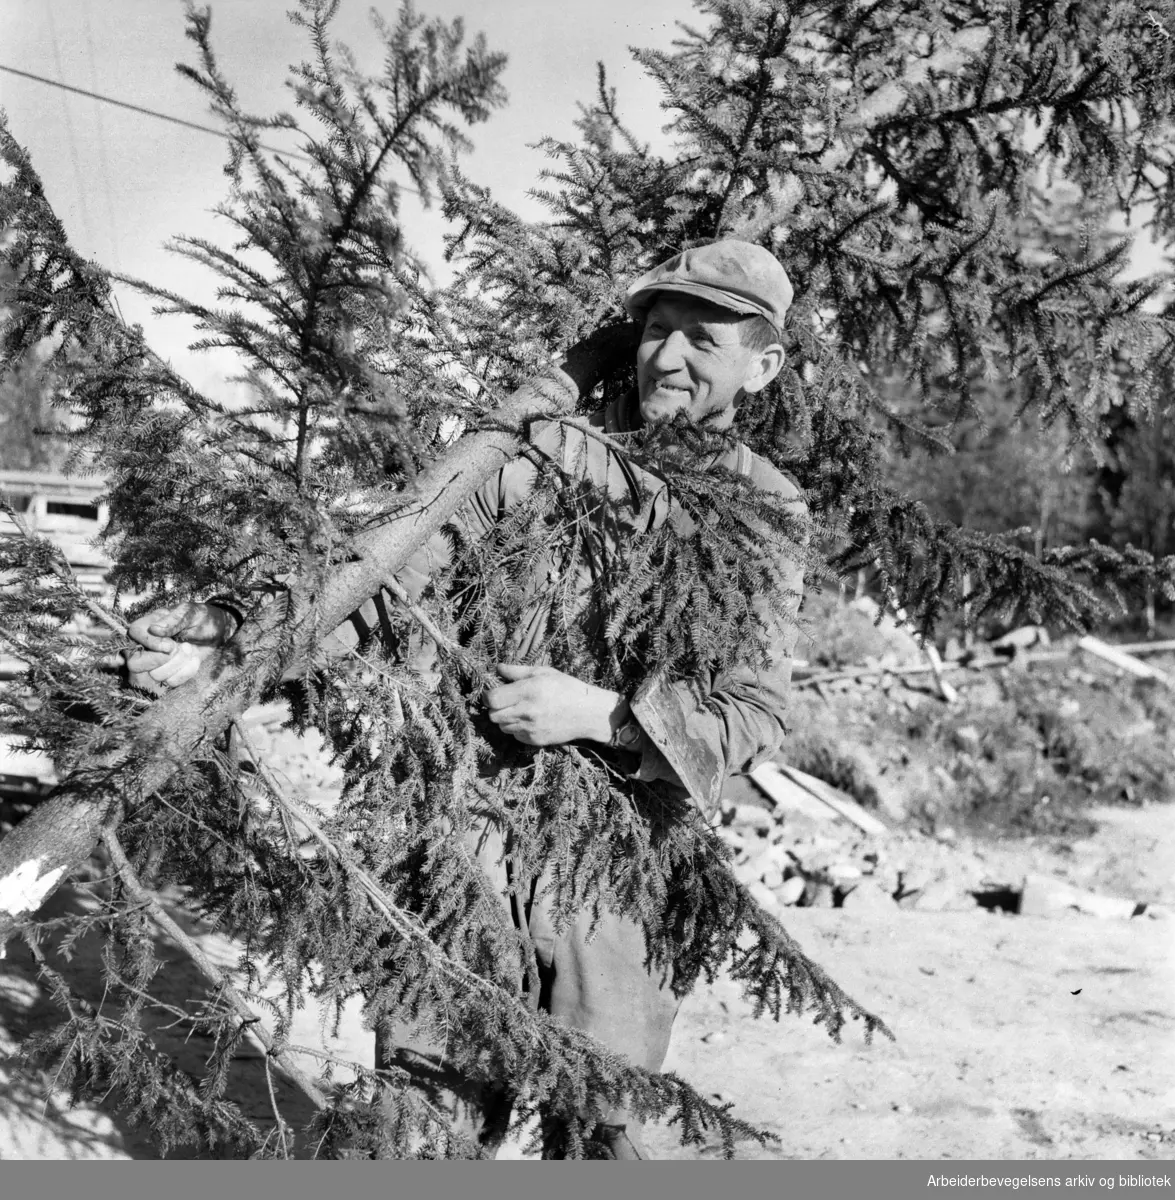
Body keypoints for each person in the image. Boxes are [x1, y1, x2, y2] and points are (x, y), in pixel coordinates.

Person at [126, 239, 807, 1158]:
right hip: (465, 830)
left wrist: (600, 714)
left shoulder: (767, 509)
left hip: (622, 870)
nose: (667, 358)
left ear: (761, 367)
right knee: (417, 1119)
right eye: (654, 329)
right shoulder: (539, 455)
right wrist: (236, 640)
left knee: (612, 1129)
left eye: (702, 341)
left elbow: (756, 713)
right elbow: (384, 589)